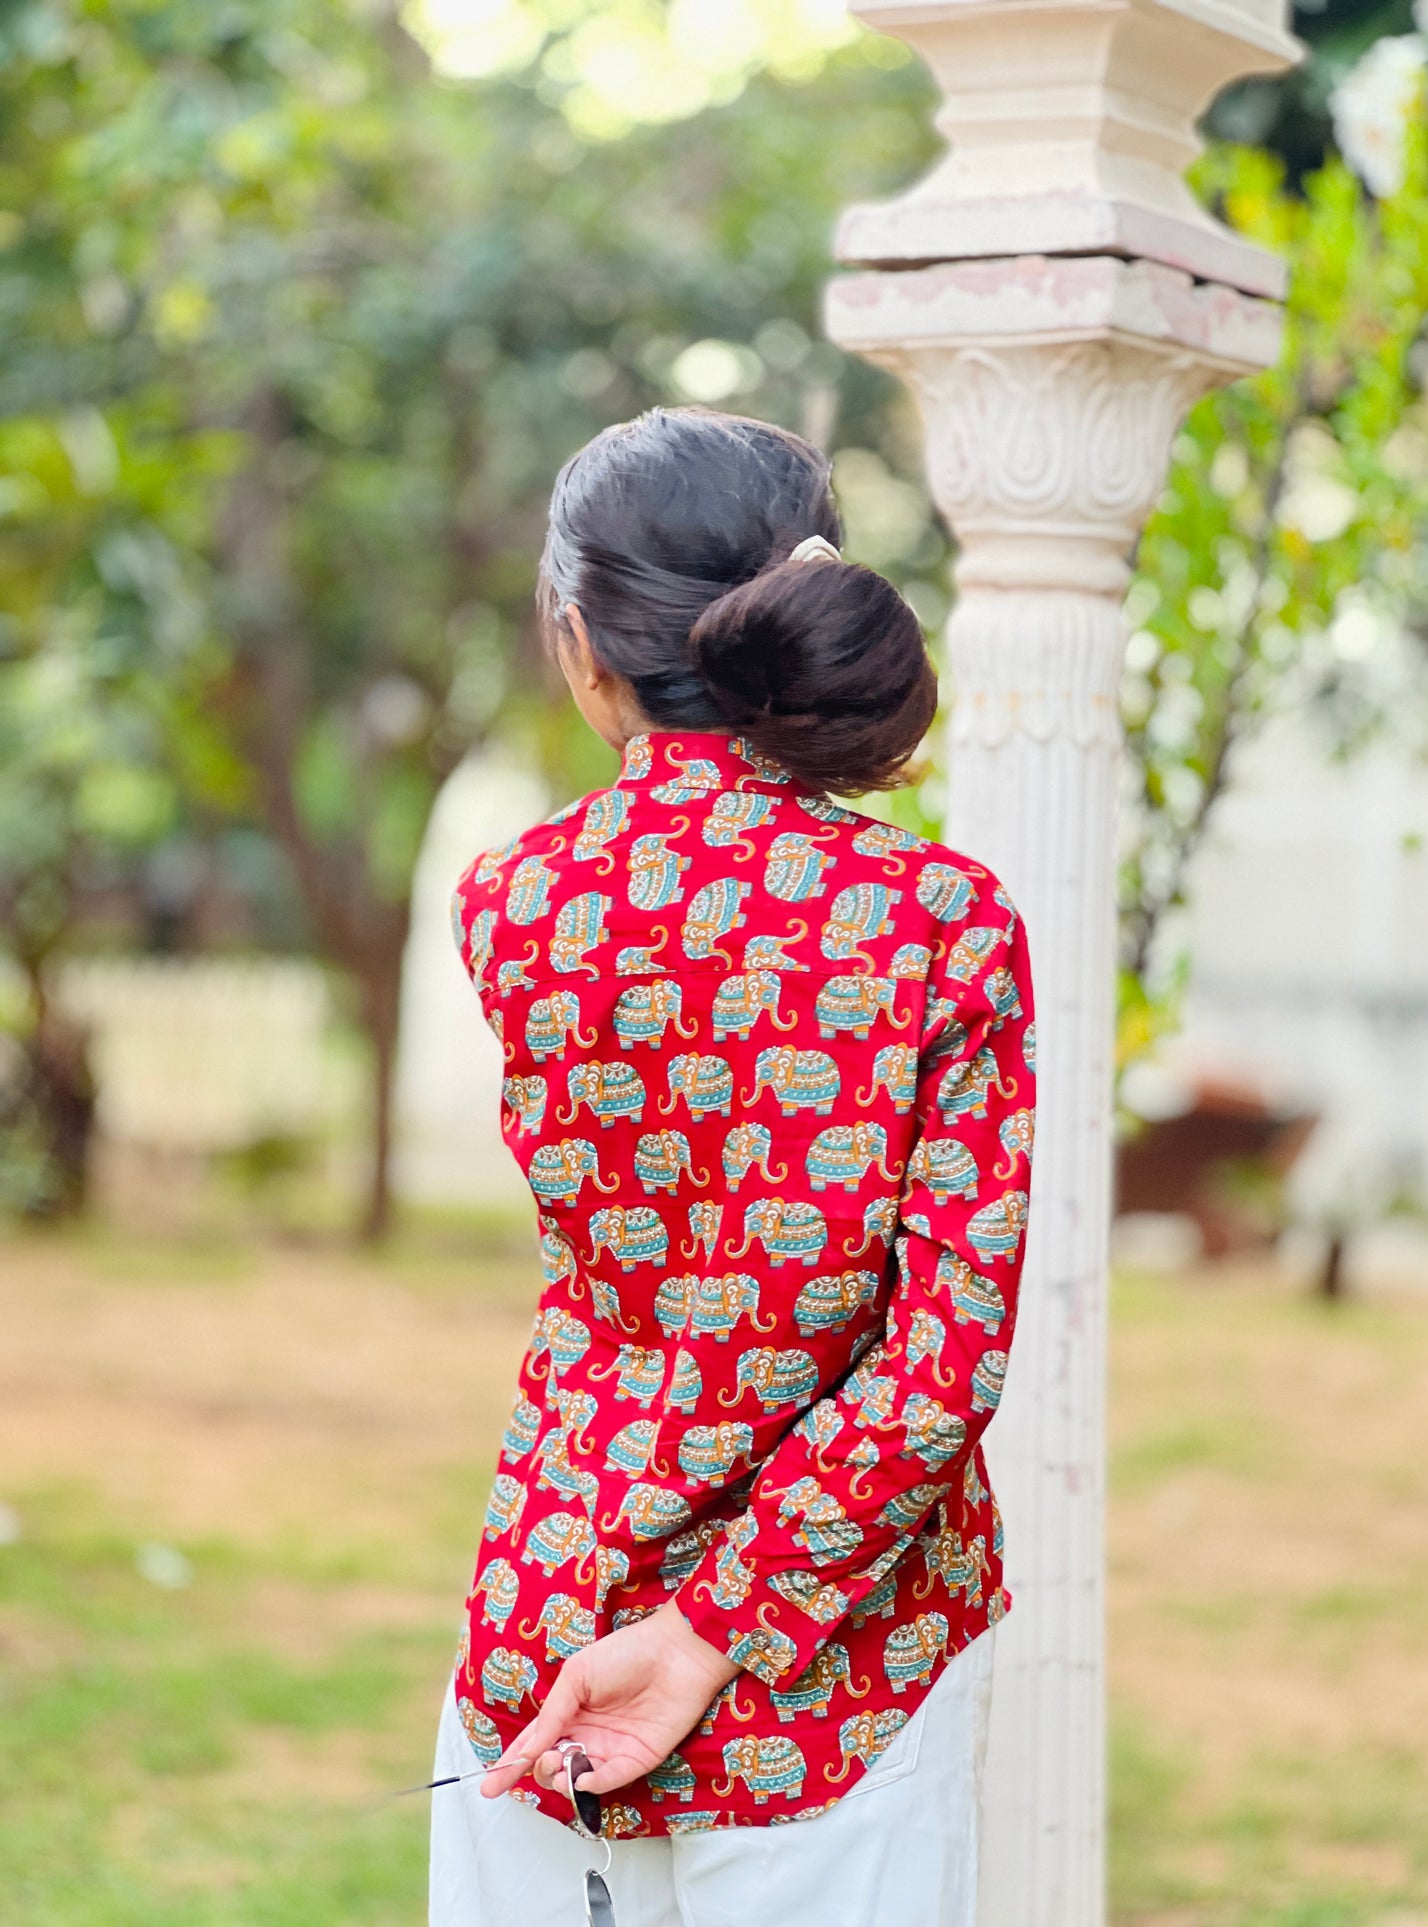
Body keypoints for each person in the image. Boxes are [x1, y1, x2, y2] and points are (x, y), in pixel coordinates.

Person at [431, 406, 1036, 1927]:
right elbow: (938, 1361)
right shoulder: (938, 922)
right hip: (838, 1671)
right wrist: (719, 1624)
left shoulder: (514, 903)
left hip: (548, 1618)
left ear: (581, 647)